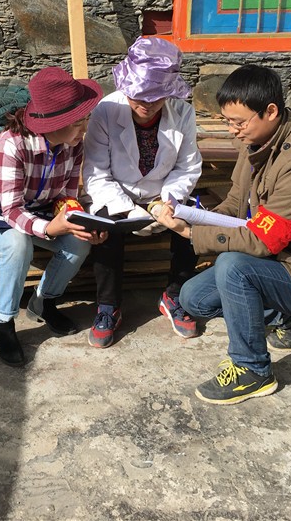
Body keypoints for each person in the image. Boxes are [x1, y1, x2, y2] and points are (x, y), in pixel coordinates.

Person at [154, 64, 291, 404]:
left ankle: (253, 370)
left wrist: (191, 234)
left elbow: (265, 240)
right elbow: (236, 204)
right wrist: (190, 215)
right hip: (283, 258)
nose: (232, 131)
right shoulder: (255, 143)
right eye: (227, 121)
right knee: (193, 299)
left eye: (239, 122)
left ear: (271, 111)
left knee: (233, 267)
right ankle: (286, 316)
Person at [0, 66, 106, 367]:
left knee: (80, 243)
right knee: (18, 244)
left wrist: (83, 222)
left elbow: (67, 196)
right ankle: (3, 323)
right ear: (54, 123)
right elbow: (12, 210)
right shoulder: (13, 144)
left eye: (85, 120)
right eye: (78, 123)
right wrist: (51, 229)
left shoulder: (73, 145)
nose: (84, 129)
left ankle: (44, 303)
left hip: (39, 209)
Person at [82, 37, 203, 348]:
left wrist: (167, 202)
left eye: (155, 97)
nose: (146, 105)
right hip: (117, 194)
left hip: (163, 194)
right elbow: (96, 173)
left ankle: (174, 296)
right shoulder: (106, 110)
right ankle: (108, 306)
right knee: (105, 229)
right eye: (138, 96)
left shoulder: (183, 113)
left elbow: (187, 167)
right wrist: (129, 210)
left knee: (189, 223)